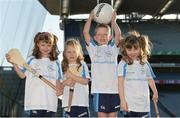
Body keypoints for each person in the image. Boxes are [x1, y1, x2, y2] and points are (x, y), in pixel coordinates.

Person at [6, 32, 63, 117]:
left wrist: (59, 90)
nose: (46, 48)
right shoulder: (32, 60)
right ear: (38, 45)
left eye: (49, 45)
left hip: (50, 103)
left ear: (52, 46)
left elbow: (58, 80)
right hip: (34, 102)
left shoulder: (56, 62)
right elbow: (22, 75)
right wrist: (14, 63)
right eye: (43, 44)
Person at [83, 10, 121, 117]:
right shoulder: (93, 49)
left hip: (114, 90)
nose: (102, 37)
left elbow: (118, 34)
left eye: (105, 34)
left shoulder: (113, 48)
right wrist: (90, 18)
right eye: (99, 34)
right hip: (99, 90)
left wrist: (113, 21)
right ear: (95, 37)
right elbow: (85, 33)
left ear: (109, 38)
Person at [118, 31, 158, 117]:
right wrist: (122, 101)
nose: (132, 52)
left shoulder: (145, 63)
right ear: (125, 49)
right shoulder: (123, 64)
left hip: (144, 105)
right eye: (129, 49)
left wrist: (155, 91)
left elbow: (150, 79)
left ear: (141, 48)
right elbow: (120, 84)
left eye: (135, 49)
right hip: (130, 105)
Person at [61, 39, 90, 117]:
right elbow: (59, 87)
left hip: (81, 103)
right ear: (64, 53)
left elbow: (85, 81)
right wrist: (65, 82)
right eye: (69, 52)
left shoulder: (82, 64)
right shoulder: (63, 67)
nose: (71, 54)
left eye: (74, 51)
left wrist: (71, 75)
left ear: (78, 53)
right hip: (67, 104)